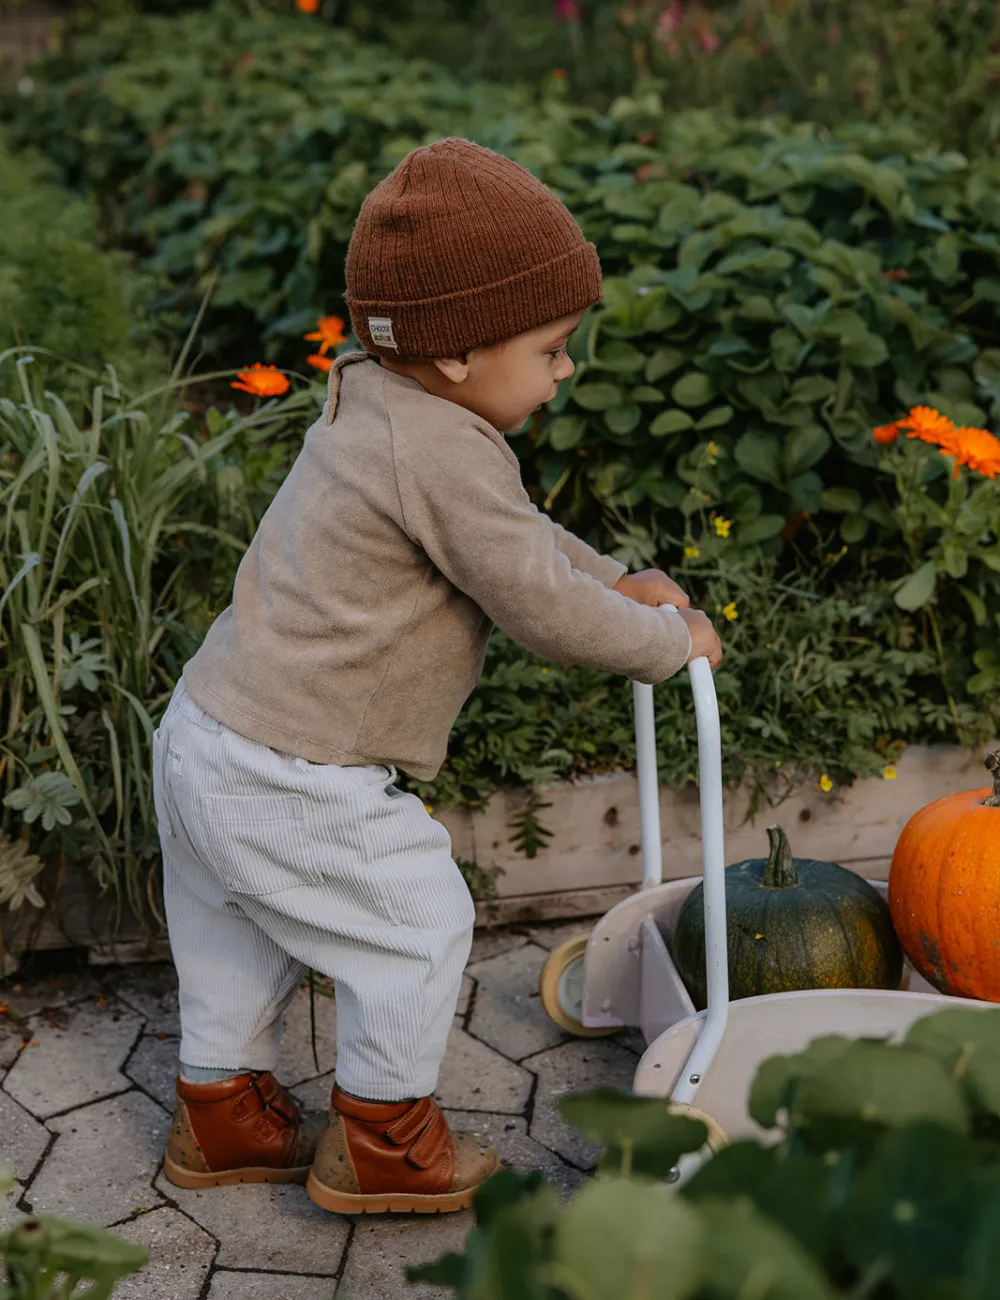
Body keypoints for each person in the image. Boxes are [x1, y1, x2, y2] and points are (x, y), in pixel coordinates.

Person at [152, 137, 723, 1216]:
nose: (566, 370)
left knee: (231, 933)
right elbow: (535, 601)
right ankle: (383, 1144)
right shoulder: (445, 451)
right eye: (552, 347)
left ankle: (220, 1114)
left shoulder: (381, 398)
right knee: (418, 918)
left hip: (210, 732)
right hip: (291, 768)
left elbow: (517, 540)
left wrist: (618, 579)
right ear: (458, 353)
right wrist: (668, 641)